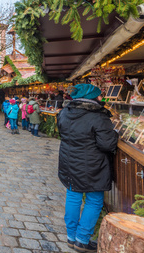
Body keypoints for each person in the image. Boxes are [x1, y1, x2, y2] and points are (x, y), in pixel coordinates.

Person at [57, 84, 118, 252]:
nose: (101, 98)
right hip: (92, 165)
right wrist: (115, 134)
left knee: (73, 196)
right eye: (99, 96)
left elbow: (62, 133)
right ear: (92, 97)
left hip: (69, 161)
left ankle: (71, 237)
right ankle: (82, 239)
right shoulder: (98, 117)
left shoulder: (64, 113)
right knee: (94, 200)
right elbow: (107, 144)